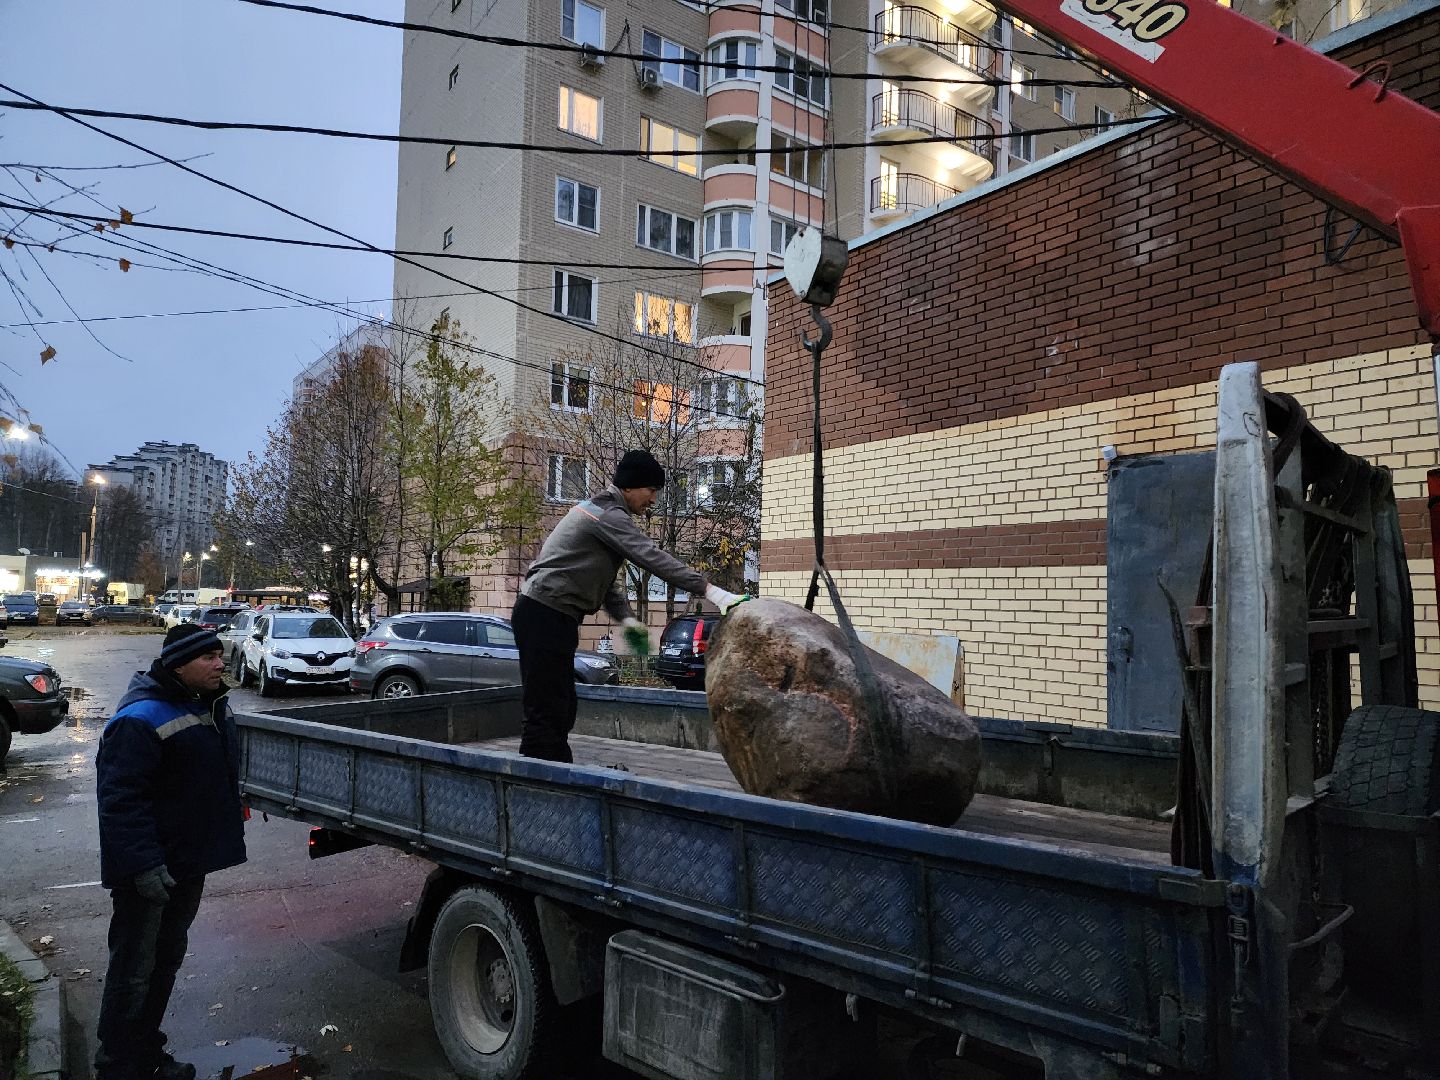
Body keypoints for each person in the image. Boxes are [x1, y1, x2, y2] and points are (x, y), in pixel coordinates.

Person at [513, 449, 748, 761]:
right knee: (546, 709)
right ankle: (539, 789)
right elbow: (651, 557)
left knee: (562, 705)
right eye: (651, 491)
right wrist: (715, 593)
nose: (653, 500)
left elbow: (602, 583)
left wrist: (627, 621)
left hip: (552, 615)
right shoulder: (608, 515)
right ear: (630, 486)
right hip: (544, 614)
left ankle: (554, 777)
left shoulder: (603, 511)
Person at [94, 624, 248, 1080]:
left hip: (186, 863)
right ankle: (119, 1065)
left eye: (221, 654)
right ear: (178, 665)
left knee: (164, 961)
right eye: (209, 658)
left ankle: (146, 1052)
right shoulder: (139, 719)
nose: (221, 664)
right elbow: (120, 800)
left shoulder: (206, 705)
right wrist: (142, 864)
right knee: (135, 968)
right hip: (150, 870)